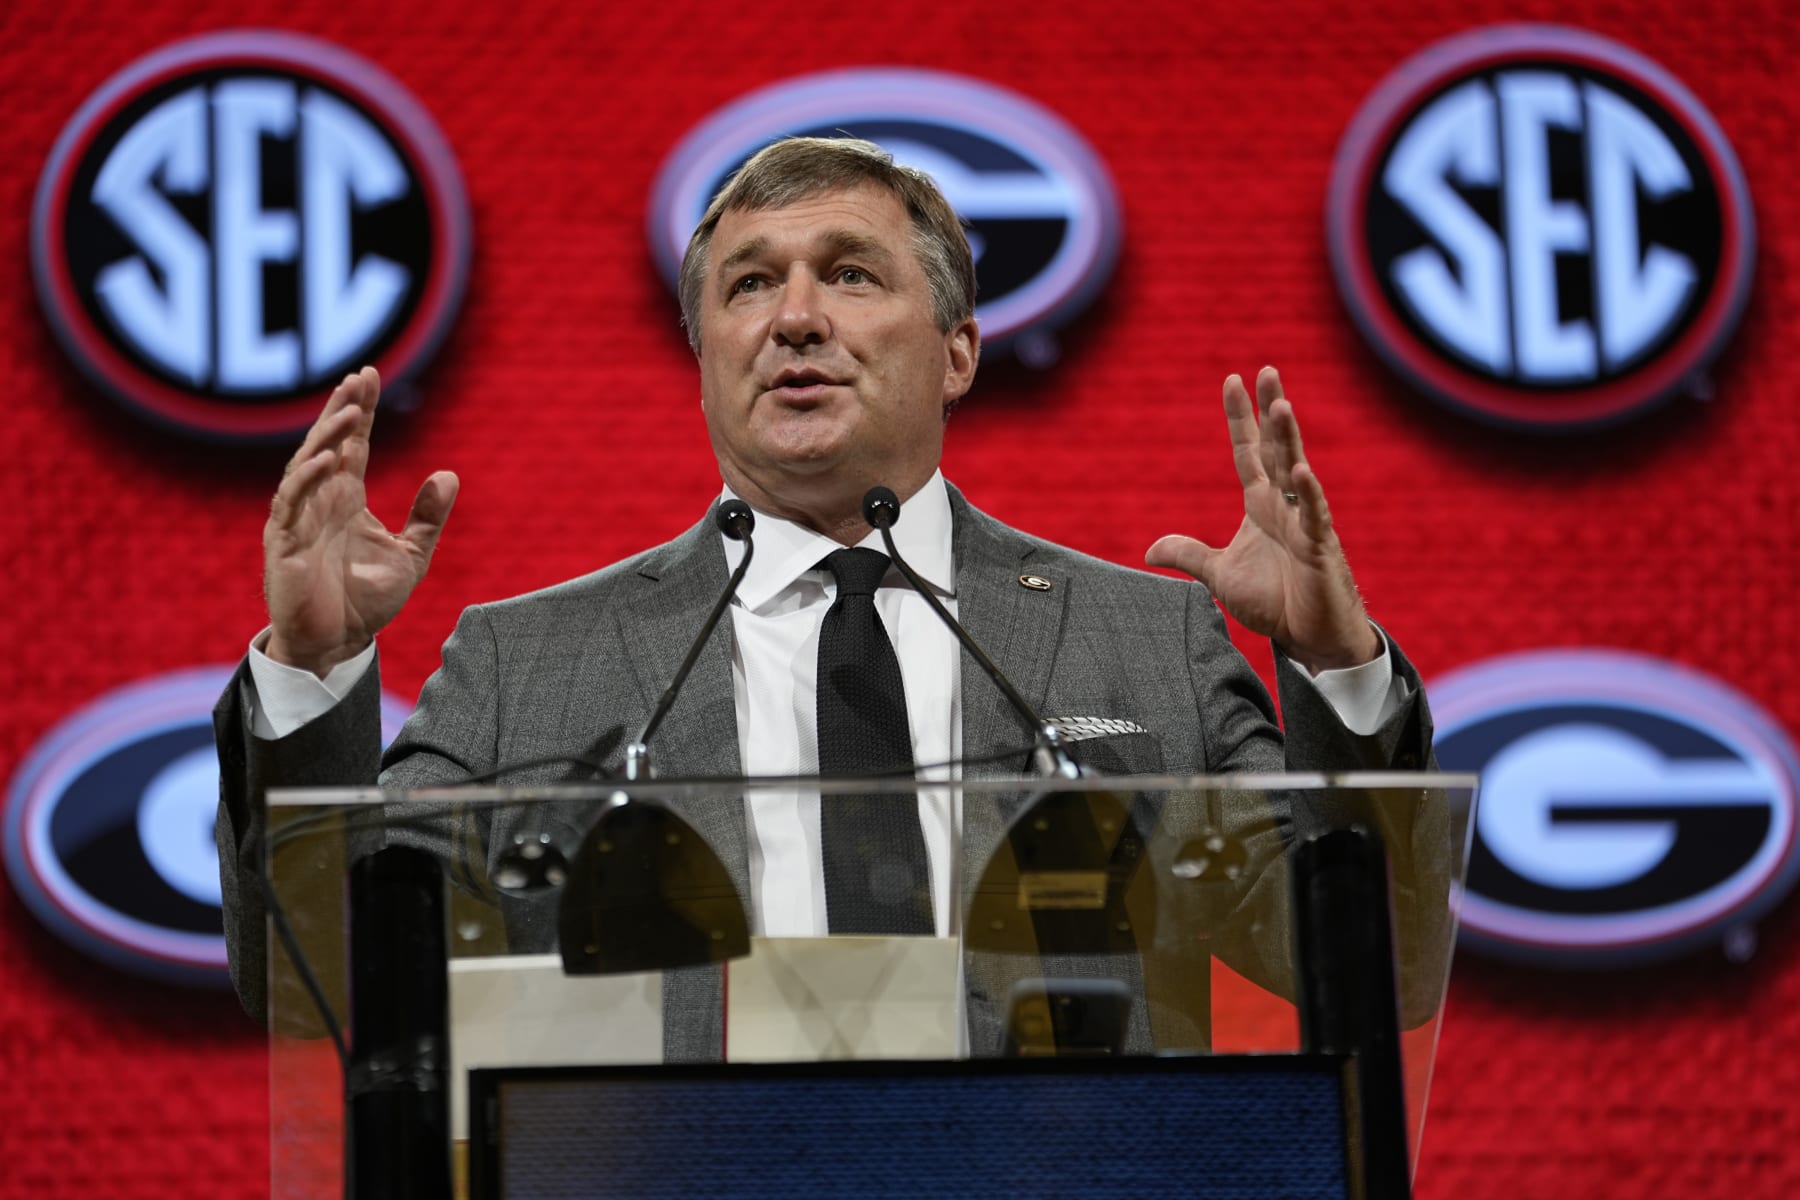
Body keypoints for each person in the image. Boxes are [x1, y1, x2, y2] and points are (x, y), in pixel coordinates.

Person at [215, 137, 1436, 1059]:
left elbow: (1369, 964)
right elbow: (319, 980)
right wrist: (308, 669)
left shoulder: (1142, 639)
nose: (795, 317)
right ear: (705, 355)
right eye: (748, 287)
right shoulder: (526, 661)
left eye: (849, 274)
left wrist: (1337, 663)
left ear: (958, 350)